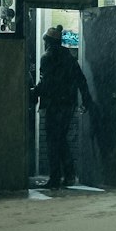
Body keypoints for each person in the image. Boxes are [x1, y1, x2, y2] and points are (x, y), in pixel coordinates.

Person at [34, 26, 93, 189]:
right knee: (61, 139)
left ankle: (55, 177)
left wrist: (34, 92)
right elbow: (81, 79)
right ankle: (69, 174)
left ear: (48, 41)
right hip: (68, 104)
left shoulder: (47, 57)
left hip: (54, 104)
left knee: (53, 140)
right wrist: (86, 99)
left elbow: (45, 82)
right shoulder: (69, 57)